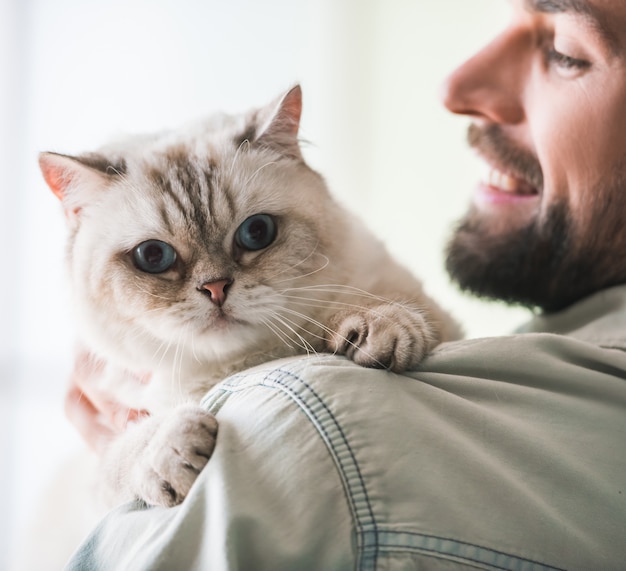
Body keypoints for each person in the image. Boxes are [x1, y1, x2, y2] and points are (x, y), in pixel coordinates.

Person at [64, 1, 626, 569]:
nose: (213, 285)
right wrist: (128, 459)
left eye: (565, 52)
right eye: (155, 257)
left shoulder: (313, 431)